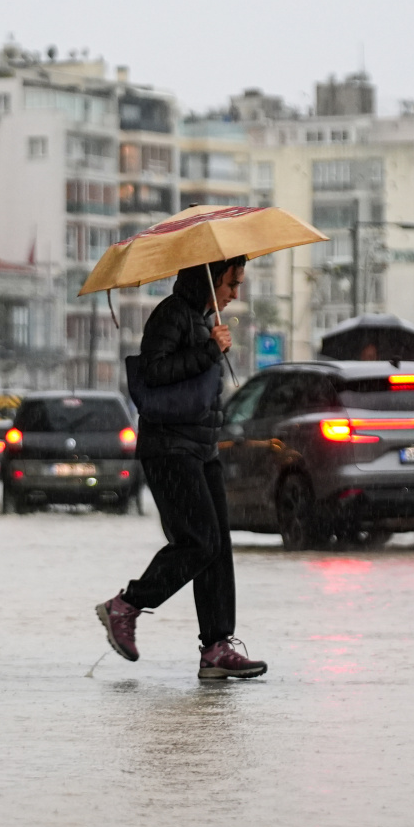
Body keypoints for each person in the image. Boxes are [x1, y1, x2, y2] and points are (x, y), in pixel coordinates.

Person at [96, 257, 266, 679]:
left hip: (201, 448)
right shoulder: (171, 315)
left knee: (217, 548)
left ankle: (216, 649)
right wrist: (210, 349)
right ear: (210, 277)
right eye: (232, 282)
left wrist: (212, 345)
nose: (235, 293)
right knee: (199, 542)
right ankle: (126, 606)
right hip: (170, 449)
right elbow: (153, 372)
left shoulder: (203, 318)